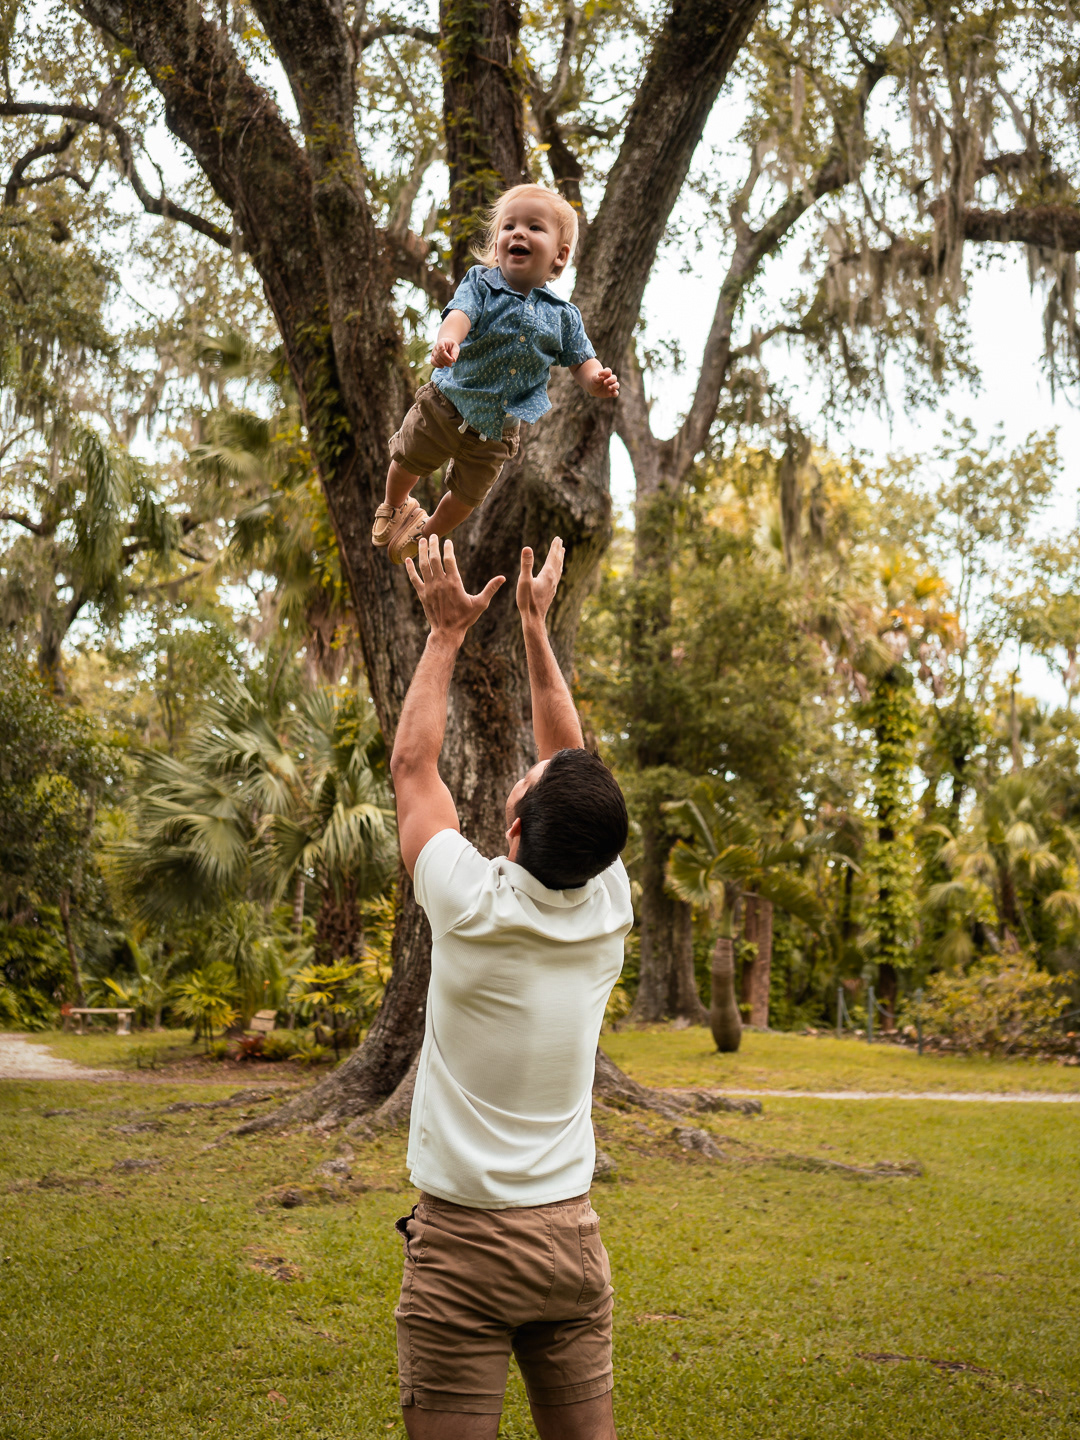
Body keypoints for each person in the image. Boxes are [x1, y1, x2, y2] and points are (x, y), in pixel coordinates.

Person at [389, 534, 632, 1438]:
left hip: (464, 1251)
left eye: (524, 784)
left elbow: (415, 770)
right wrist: (534, 627)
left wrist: (446, 635)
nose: (532, 767)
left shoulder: (468, 901)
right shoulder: (608, 902)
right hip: (571, 1245)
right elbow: (574, 767)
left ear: (518, 832)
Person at [372, 184, 620, 564]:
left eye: (534, 228)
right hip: (449, 401)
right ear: (497, 243)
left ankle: (427, 532)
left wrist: (595, 381)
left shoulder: (564, 316)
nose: (518, 233)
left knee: (469, 496)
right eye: (509, 227)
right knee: (409, 457)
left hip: (496, 431)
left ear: (559, 256)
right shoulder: (481, 283)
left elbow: (581, 360)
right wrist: (448, 341)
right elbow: (460, 314)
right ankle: (394, 505)